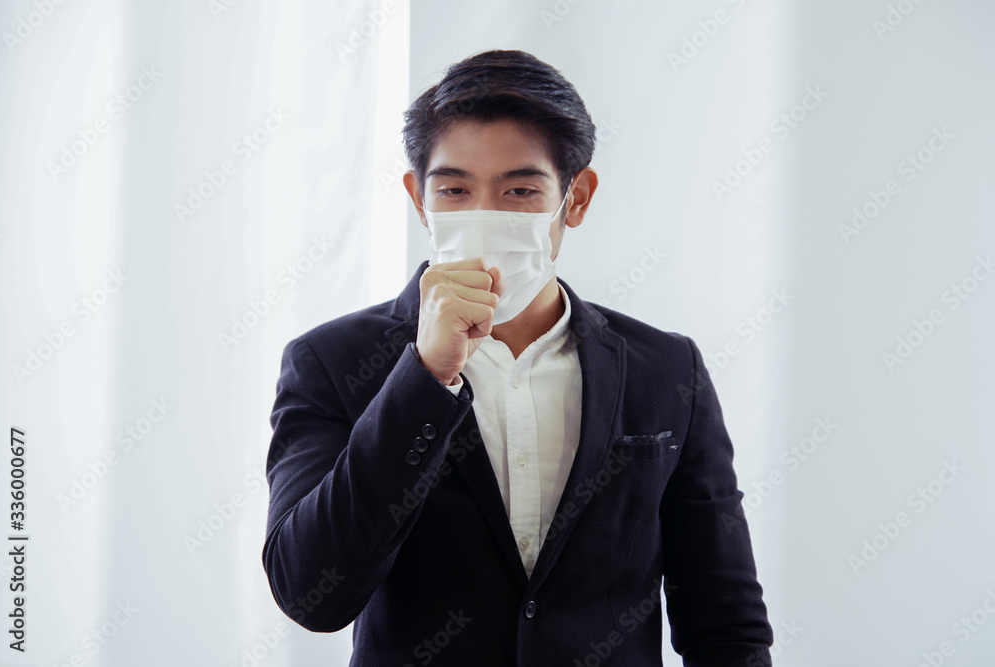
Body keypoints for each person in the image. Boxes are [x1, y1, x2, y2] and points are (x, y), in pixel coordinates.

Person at [262, 48, 774, 666]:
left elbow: (724, 621)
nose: (485, 216)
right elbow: (311, 594)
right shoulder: (333, 361)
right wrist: (424, 377)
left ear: (576, 199)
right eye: (454, 189)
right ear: (419, 200)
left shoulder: (666, 369)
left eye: (521, 190)